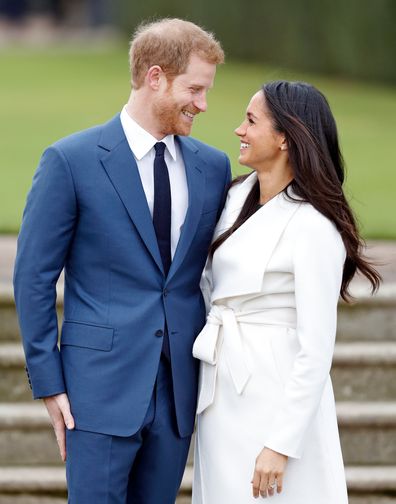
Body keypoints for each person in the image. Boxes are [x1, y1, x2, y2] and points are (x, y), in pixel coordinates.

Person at [13, 18, 231, 504]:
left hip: (177, 395)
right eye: (195, 89)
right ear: (156, 77)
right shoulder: (70, 161)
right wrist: (50, 385)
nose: (203, 104)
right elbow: (32, 279)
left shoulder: (212, 167)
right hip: (96, 393)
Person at [192, 80, 381, 503]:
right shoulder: (233, 197)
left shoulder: (313, 226)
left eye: (251, 120)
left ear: (284, 137)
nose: (239, 130)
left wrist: (280, 444)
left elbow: (316, 350)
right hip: (222, 390)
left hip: (275, 402)